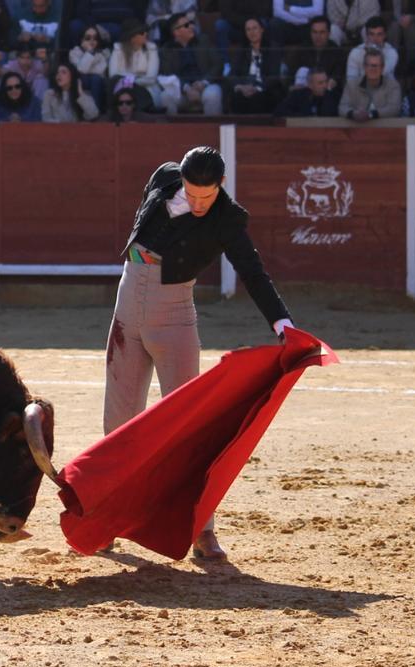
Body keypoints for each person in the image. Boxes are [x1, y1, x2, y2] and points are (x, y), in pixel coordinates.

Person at [104, 146, 293, 561]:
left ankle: (203, 530)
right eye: (190, 194)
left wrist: (282, 322)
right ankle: (107, 520)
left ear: (221, 185)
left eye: (205, 196)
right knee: (118, 422)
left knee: (188, 427)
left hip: (174, 316)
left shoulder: (228, 219)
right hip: (126, 307)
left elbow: (252, 271)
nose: (197, 203)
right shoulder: (163, 178)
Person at [158, 11, 223, 115]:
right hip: (182, 91)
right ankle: (171, 126)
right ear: (176, 32)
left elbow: (218, 64)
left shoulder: (204, 40)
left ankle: (212, 126)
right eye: (186, 25)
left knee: (213, 94)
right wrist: (186, 88)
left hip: (205, 87)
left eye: (191, 23)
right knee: (165, 96)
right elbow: (168, 74)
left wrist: (203, 83)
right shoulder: (167, 50)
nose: (191, 27)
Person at [226, 16, 284, 113]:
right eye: (248, 29)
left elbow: (274, 76)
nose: (252, 32)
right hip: (244, 88)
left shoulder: (273, 48)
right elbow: (232, 74)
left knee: (258, 99)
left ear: (262, 29)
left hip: (265, 89)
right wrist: (241, 87)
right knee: (236, 98)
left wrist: (256, 88)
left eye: (254, 28)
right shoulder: (241, 50)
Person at [109, 18, 160, 111]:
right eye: (141, 33)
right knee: (115, 83)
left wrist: (129, 81)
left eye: (146, 31)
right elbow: (113, 75)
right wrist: (134, 79)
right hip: (123, 89)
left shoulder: (151, 48)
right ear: (132, 37)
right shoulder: (118, 48)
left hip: (146, 88)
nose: (145, 34)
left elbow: (151, 78)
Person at [287, 15, 346, 92]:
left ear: (328, 33)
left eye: (322, 32)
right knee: (302, 71)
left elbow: (336, 78)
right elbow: (291, 78)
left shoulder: (337, 52)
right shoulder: (302, 50)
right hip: (303, 91)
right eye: (315, 32)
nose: (318, 36)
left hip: (327, 92)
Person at [340, 45, 402, 119]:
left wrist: (371, 114)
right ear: (364, 67)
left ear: (382, 68)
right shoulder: (351, 85)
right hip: (357, 125)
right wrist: (353, 114)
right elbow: (342, 107)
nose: (372, 69)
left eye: (375, 65)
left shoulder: (393, 85)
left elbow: (394, 109)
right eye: (369, 65)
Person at [69, 23, 109, 114]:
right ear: (81, 39)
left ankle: (95, 113)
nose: (92, 40)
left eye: (95, 38)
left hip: (98, 82)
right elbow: (81, 69)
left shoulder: (103, 53)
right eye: (88, 38)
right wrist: (90, 53)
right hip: (80, 82)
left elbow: (100, 71)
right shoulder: (74, 52)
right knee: (90, 78)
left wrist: (87, 67)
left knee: (96, 79)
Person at [345, 15, 397, 80]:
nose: (375, 39)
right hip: (360, 86)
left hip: (385, 85)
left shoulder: (391, 52)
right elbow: (351, 79)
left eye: (379, 34)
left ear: (385, 35)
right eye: (372, 34)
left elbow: (379, 74)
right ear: (367, 35)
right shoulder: (355, 52)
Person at [273, 66, 340, 115]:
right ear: (310, 85)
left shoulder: (332, 96)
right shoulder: (298, 95)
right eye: (320, 83)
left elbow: (328, 113)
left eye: (326, 81)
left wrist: (327, 96)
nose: (325, 85)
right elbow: (279, 111)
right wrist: (303, 116)